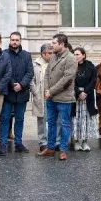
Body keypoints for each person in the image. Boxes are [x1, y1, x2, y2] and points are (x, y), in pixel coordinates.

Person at [38, 33, 76, 161]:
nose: (51, 45)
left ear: (62, 44)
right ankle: (50, 147)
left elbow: (67, 78)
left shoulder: (71, 58)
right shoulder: (54, 56)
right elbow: (48, 73)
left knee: (65, 124)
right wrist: (47, 90)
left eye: (54, 43)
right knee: (51, 123)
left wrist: (51, 91)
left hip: (64, 97)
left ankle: (63, 150)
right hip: (51, 97)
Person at [0, 31, 33, 153]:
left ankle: (18, 143)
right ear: (9, 40)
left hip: (22, 93)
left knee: (20, 118)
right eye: (12, 40)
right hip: (8, 92)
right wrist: (13, 84)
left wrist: (21, 84)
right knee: (5, 118)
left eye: (17, 40)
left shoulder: (27, 55)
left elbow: (30, 73)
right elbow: (3, 72)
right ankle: (2, 143)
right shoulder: (4, 54)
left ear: (20, 41)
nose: (14, 42)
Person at [71, 47, 98, 151]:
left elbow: (93, 79)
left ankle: (85, 142)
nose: (75, 56)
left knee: (86, 119)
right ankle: (77, 142)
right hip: (75, 96)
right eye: (74, 54)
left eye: (77, 54)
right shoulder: (71, 66)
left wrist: (85, 92)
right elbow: (70, 81)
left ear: (83, 55)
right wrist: (78, 92)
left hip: (88, 95)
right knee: (76, 119)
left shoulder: (90, 65)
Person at [30, 43, 55, 151]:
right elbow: (31, 80)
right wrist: (35, 92)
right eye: (49, 53)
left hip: (53, 95)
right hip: (40, 96)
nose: (51, 55)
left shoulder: (55, 63)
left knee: (54, 119)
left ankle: (54, 142)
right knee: (41, 120)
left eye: (52, 53)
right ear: (43, 54)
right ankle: (43, 142)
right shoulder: (35, 64)